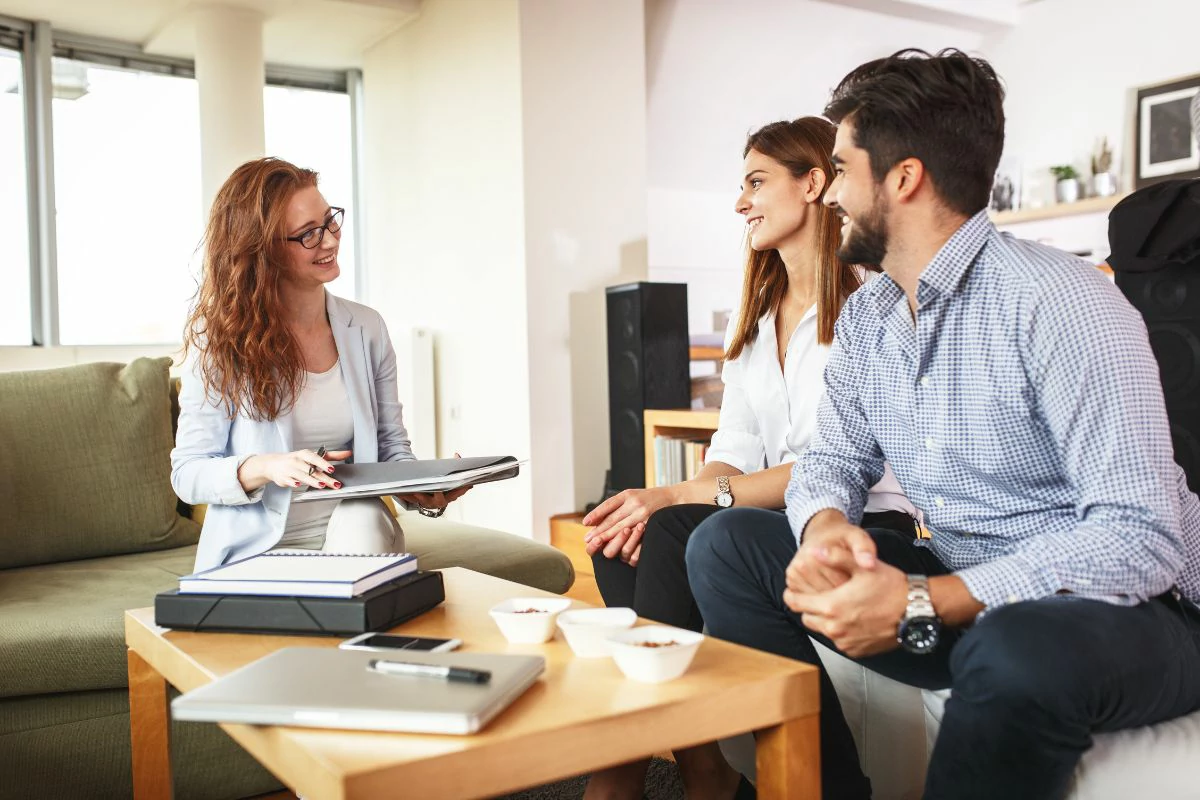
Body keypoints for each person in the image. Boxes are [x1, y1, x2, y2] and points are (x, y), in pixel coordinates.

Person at [684, 49, 1200, 800]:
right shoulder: (868, 316)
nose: (830, 193)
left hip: (1135, 616)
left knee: (1013, 646)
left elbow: (1140, 540)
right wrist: (824, 529)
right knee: (727, 544)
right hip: (962, 597)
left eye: (843, 169)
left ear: (903, 178)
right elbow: (833, 459)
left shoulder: (1062, 303)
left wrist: (925, 602)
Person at [582, 117, 916, 800]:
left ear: (814, 183)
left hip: (859, 525)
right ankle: (701, 761)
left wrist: (677, 499)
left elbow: (842, 466)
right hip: (769, 518)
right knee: (618, 531)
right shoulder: (760, 322)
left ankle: (623, 771)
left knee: (676, 521)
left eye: (757, 182)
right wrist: (673, 496)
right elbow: (730, 453)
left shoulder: (874, 308)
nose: (741, 203)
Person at [172, 157, 466, 572]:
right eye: (308, 234)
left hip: (355, 533)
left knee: (362, 518)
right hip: (255, 550)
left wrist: (420, 488)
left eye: (330, 222)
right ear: (263, 250)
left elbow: (391, 446)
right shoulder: (219, 342)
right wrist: (268, 466)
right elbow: (188, 473)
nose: (328, 240)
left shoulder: (366, 328)